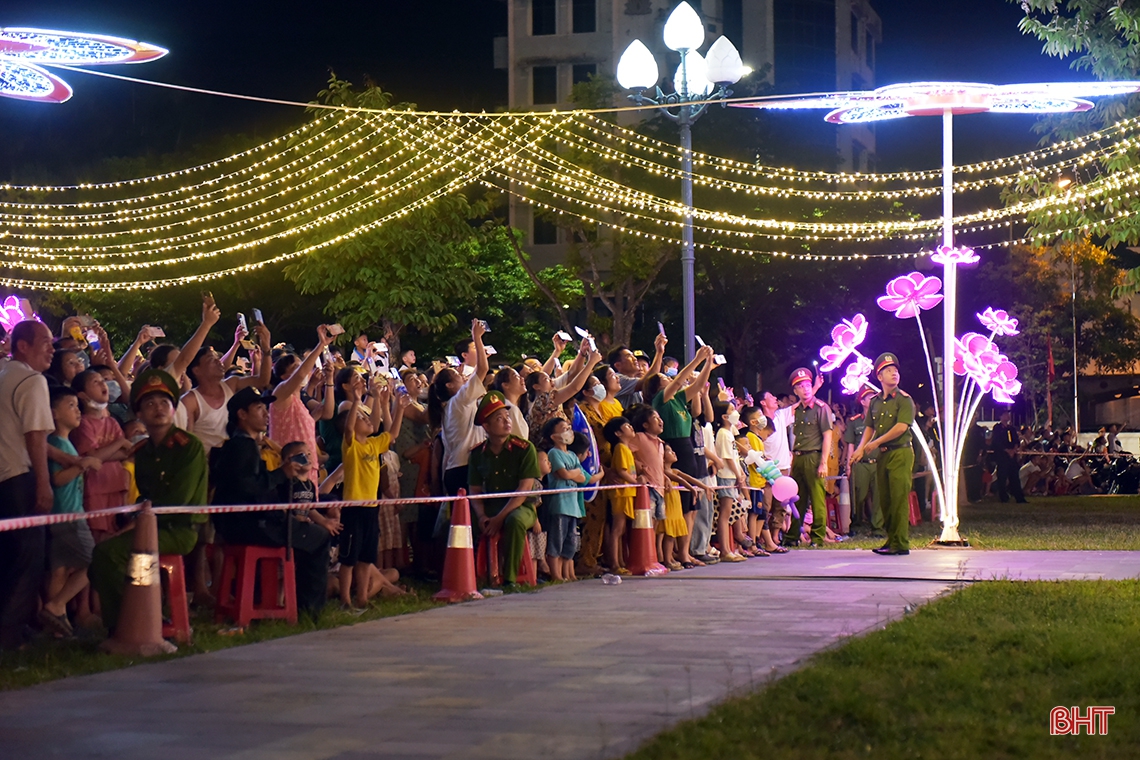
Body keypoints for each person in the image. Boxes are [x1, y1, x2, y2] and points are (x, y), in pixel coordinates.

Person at [89, 369, 206, 634]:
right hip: (150, 526)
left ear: (174, 409)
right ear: (138, 414)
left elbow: (176, 501)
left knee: (109, 554)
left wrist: (136, 526)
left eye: (165, 402)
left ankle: (126, 626)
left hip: (178, 529)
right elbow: (143, 496)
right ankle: (140, 618)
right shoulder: (142, 451)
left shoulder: (188, 446)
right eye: (150, 404)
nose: (159, 409)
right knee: (102, 557)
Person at [0, 320, 55, 650]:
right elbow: (35, 436)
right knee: (27, 559)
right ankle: (9, 637)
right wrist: (43, 484)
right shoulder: (32, 381)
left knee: (7, 557)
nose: (52, 348)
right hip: (20, 477)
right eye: (45, 342)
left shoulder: (3, 375)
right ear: (22, 345)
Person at [336, 381, 408, 608]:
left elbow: (393, 434)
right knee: (349, 557)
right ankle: (345, 598)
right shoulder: (351, 446)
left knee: (366, 556)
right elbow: (348, 429)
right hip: (353, 507)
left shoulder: (374, 444)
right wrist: (357, 401)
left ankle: (362, 597)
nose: (367, 420)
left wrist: (401, 409)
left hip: (371, 507)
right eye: (362, 419)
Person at [41, 386, 101, 637]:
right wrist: (82, 465)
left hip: (62, 516)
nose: (78, 411)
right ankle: (56, 606)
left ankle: (56, 626)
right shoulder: (57, 443)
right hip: (69, 515)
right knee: (96, 562)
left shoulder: (64, 443)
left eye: (78, 406)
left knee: (60, 569)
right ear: (53, 413)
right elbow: (57, 479)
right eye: (71, 406)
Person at [468, 391, 542, 587]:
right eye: (499, 418)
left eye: (507, 417)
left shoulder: (524, 449)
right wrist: (482, 516)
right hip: (490, 507)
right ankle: (471, 577)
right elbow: (474, 490)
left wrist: (498, 519)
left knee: (514, 521)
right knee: (461, 522)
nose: (507, 421)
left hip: (521, 507)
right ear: (486, 426)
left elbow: (524, 489)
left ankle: (510, 578)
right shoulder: (477, 453)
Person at [852, 353, 916, 556]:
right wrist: (860, 448)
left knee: (898, 498)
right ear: (879, 376)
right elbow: (869, 428)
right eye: (888, 371)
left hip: (900, 452)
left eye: (895, 370)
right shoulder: (875, 402)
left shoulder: (904, 399)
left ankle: (901, 543)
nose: (894, 373)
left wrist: (876, 443)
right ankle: (891, 540)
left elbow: (901, 427)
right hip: (884, 455)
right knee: (886, 499)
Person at [181, 321, 272, 454]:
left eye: (218, 358)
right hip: (210, 468)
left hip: (236, 462)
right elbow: (187, 443)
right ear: (197, 370)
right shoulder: (191, 401)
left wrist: (266, 349)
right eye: (211, 360)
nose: (219, 361)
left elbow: (262, 380)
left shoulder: (231, 384)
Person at [429, 319, 490, 496]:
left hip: (456, 468)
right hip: (464, 468)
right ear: (449, 385)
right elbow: (483, 370)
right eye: (457, 375)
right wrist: (477, 338)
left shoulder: (452, 404)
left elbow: (479, 375)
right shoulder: (459, 401)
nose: (463, 377)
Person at [786, 367, 833, 548]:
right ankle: (793, 535)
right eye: (801, 386)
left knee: (817, 498)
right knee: (797, 498)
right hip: (797, 457)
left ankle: (817, 537)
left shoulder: (821, 408)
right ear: (795, 391)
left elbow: (827, 435)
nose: (805, 389)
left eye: (807, 385)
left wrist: (823, 463)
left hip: (814, 457)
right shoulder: (796, 410)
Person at [844, 387, 883, 535]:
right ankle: (856, 524)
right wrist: (849, 465)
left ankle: (877, 527)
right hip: (860, 464)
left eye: (874, 396)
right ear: (862, 401)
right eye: (869, 397)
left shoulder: (881, 419)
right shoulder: (855, 422)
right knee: (858, 495)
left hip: (878, 462)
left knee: (879, 496)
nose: (873, 399)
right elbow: (850, 445)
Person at [602, 416, 637, 574]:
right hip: (620, 493)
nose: (631, 427)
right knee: (617, 528)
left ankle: (621, 561)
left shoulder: (626, 448)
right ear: (617, 433)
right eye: (627, 426)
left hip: (627, 492)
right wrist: (637, 482)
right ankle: (615, 564)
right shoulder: (620, 449)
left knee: (621, 529)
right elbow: (622, 471)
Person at [990, 409, 1027, 503]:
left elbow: (1016, 441)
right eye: (1005, 414)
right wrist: (1006, 450)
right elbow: (996, 442)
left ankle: (1019, 497)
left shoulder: (1011, 429)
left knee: (1014, 476)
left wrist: (1014, 450)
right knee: (1002, 477)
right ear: (1001, 416)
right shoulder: (998, 428)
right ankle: (1003, 497)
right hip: (1002, 456)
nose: (1008, 416)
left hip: (1012, 456)